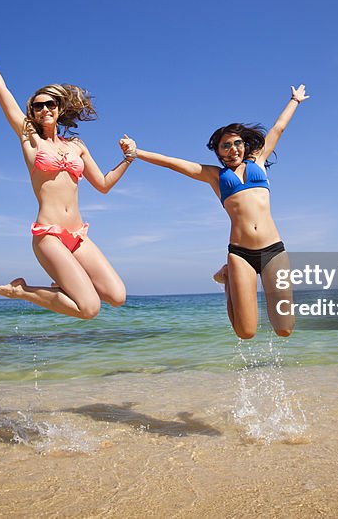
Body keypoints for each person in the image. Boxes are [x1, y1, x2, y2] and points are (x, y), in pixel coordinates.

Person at [0, 35, 136, 319]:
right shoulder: (30, 140)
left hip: (78, 236)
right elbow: (1, 90)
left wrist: (128, 159)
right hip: (48, 235)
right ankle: (22, 290)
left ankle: (63, 282)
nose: (45, 109)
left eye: (50, 104)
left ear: (59, 108)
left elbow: (103, 185)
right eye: (38, 106)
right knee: (89, 309)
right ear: (33, 113)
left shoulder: (77, 146)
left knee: (117, 297)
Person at [129, 86, 308, 339]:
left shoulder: (257, 160)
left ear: (245, 146)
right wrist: (137, 153)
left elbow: (278, 128)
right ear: (218, 151)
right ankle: (228, 280)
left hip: (273, 250)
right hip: (240, 253)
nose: (233, 149)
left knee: (284, 329)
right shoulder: (215, 175)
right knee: (245, 333)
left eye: (237, 143)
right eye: (226, 146)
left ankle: (228, 277)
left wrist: (294, 101)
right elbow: (173, 163)